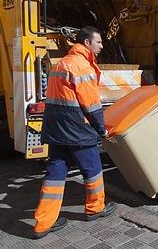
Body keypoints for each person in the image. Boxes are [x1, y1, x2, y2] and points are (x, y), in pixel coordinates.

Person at [32, 26, 117, 239]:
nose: (101, 46)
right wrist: (102, 129)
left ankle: (44, 222)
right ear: (87, 43)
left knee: (55, 173)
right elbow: (92, 105)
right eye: (98, 42)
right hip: (77, 129)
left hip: (57, 129)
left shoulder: (61, 63)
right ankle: (95, 209)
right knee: (93, 170)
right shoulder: (82, 67)